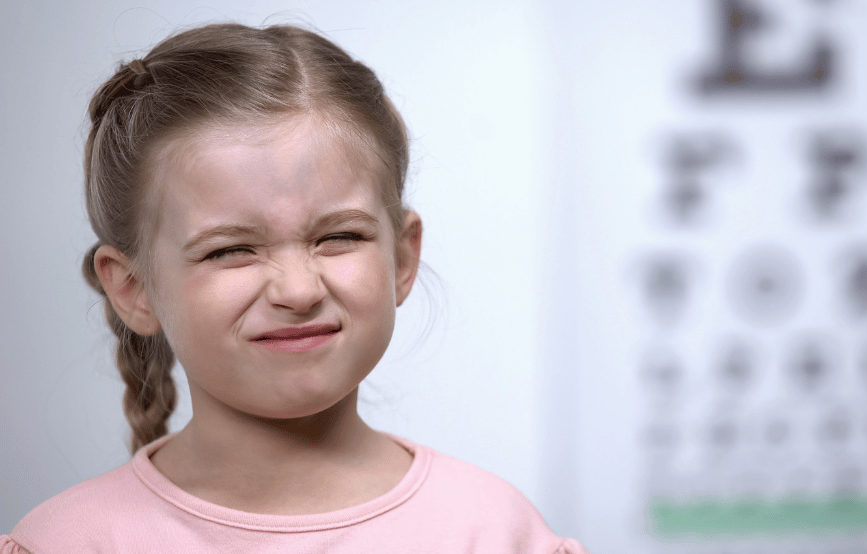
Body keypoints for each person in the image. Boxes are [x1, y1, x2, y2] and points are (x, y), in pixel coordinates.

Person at [1, 22, 586, 554]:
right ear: (134, 289)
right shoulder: (67, 542)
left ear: (402, 256)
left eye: (338, 236)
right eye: (230, 250)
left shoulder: (493, 533)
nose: (299, 290)